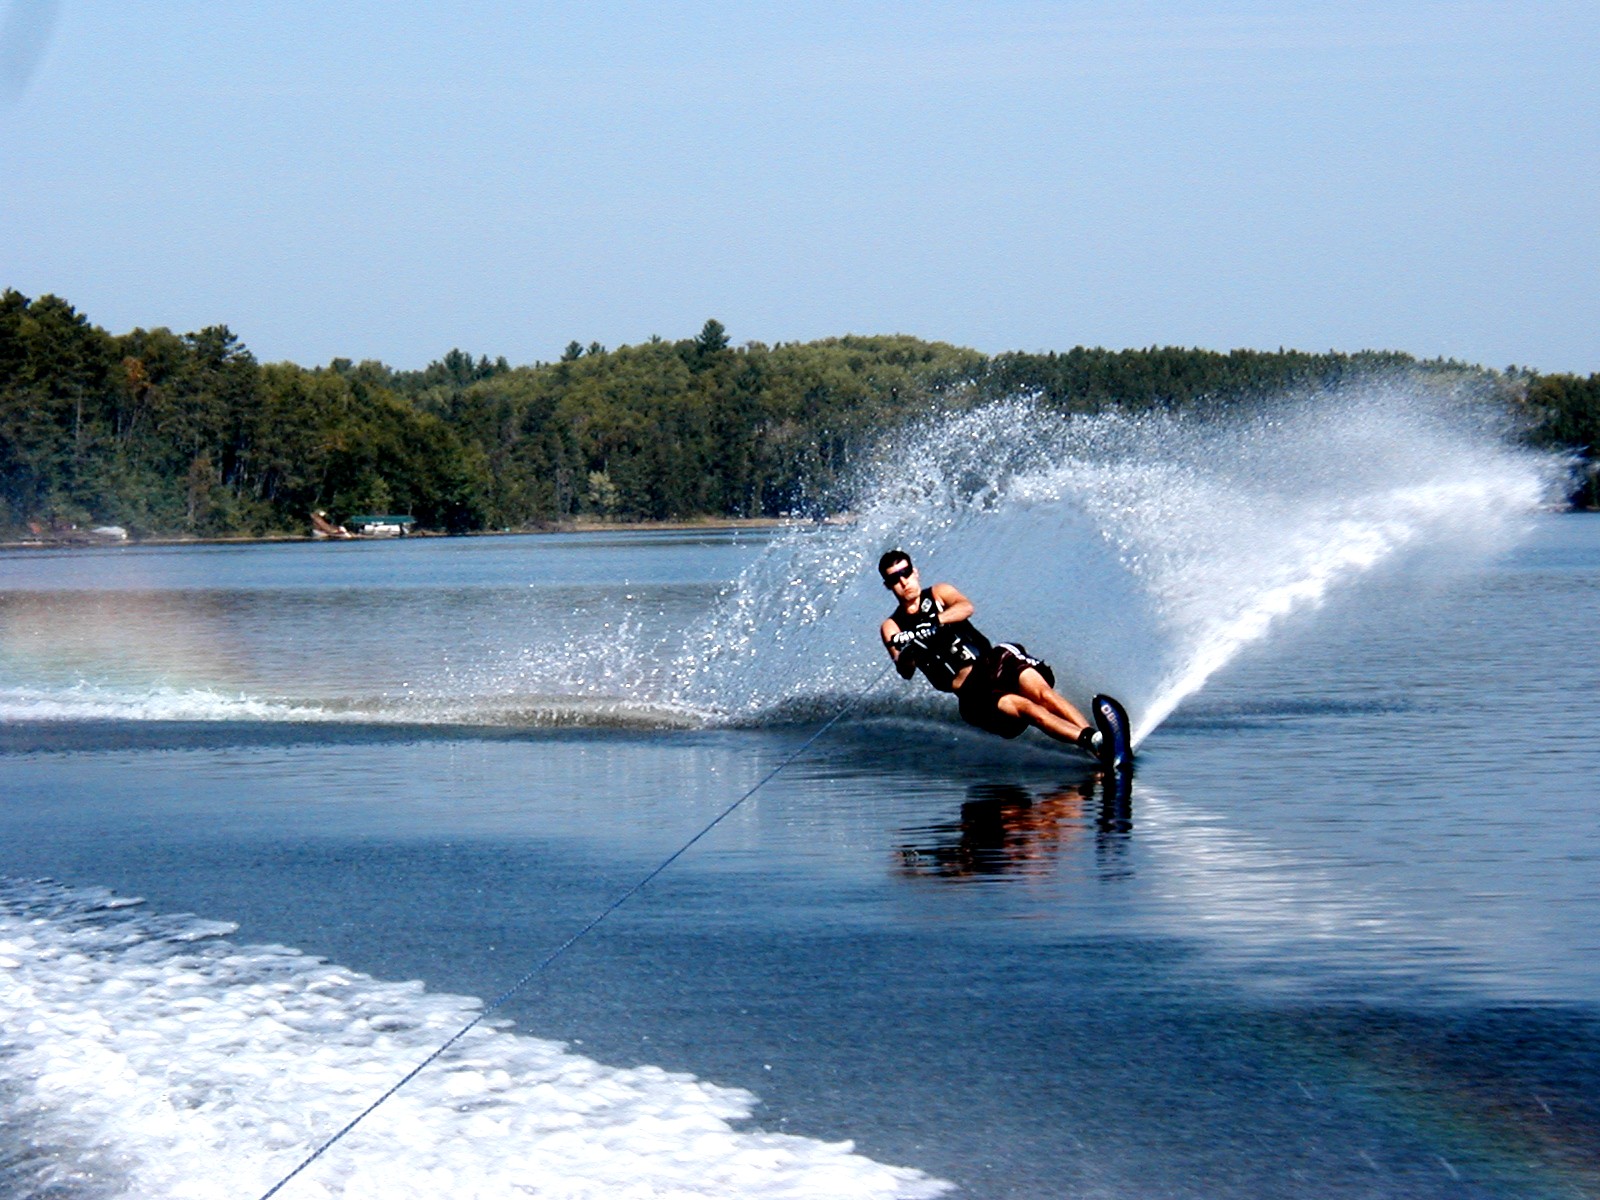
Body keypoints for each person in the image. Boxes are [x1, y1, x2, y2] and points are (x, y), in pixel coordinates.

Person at [876, 549, 1109, 761]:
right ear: (888, 585)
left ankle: (1098, 743)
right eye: (895, 579)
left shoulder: (939, 593)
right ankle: (1091, 741)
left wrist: (935, 621)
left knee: (1043, 695)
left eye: (906, 573)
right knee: (1028, 709)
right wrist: (911, 646)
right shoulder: (892, 626)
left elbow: (965, 607)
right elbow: (904, 670)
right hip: (972, 693)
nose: (903, 581)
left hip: (994, 663)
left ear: (915, 572)